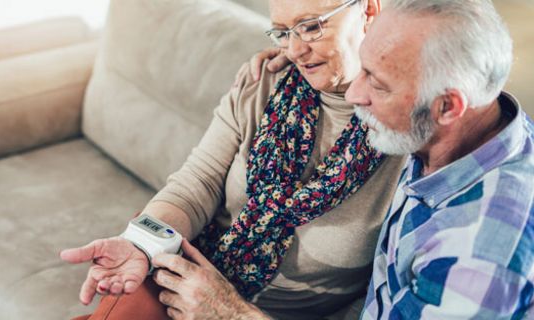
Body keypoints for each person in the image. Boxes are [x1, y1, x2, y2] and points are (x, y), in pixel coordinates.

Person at [60, 0, 408, 319]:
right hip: (181, 287)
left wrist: (231, 313)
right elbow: (198, 181)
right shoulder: (267, 81)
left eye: (312, 25)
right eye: (284, 32)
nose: (296, 50)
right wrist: (141, 244)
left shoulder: (409, 136)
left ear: (370, 9)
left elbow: (379, 300)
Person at [342, 0, 534, 318]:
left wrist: (236, 312)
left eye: (376, 83)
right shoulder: (472, 123)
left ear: (447, 107)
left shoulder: (479, 250)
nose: (354, 94)